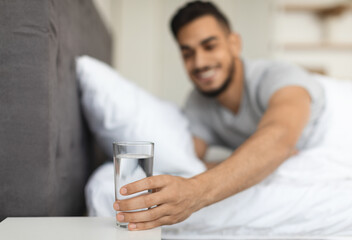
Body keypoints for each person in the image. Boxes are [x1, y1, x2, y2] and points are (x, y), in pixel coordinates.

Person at [113, 1, 325, 230]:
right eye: (188, 54)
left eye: (210, 46)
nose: (200, 63)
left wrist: (195, 192)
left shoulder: (279, 78)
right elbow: (188, 160)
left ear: (234, 44)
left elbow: (279, 138)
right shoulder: (198, 102)